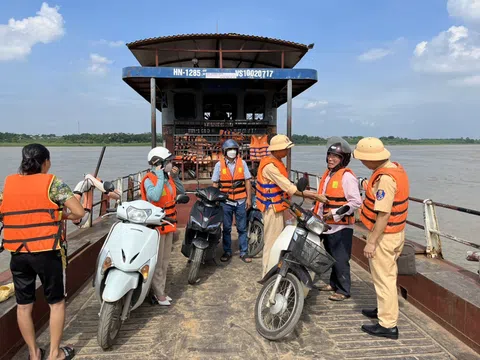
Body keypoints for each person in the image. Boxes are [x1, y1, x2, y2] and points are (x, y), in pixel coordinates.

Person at [0, 143, 84, 360]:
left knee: (23, 306)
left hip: (18, 254)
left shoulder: (9, 184)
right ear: (45, 162)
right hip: (47, 252)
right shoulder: (53, 183)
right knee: (56, 303)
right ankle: (55, 354)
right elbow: (79, 212)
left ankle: (34, 353)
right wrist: (58, 215)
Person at [353, 137, 409, 340]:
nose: (362, 163)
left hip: (385, 236)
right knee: (387, 276)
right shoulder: (396, 169)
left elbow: (383, 214)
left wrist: (371, 241)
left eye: (363, 159)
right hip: (396, 233)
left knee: (384, 279)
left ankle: (388, 325)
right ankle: (383, 310)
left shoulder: (385, 179)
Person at [256, 134, 328, 276]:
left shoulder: (276, 161)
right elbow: (290, 188)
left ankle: (276, 270)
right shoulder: (270, 167)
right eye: (285, 148)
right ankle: (267, 274)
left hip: (280, 207)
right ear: (277, 150)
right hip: (272, 209)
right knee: (272, 243)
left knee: (280, 240)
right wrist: (315, 195)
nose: (287, 151)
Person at [313, 137, 362, 301]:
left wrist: (334, 213)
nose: (331, 159)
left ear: (343, 160)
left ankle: (343, 290)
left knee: (341, 259)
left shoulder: (347, 177)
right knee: (331, 256)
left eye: (336, 157)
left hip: (341, 227)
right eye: (329, 155)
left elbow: (355, 202)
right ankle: (333, 284)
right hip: (327, 225)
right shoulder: (328, 175)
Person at [140, 146, 185, 306]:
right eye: (168, 161)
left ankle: (160, 291)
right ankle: (158, 294)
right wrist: (160, 175)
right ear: (159, 163)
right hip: (156, 227)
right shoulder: (149, 180)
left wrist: (175, 176)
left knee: (165, 260)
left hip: (168, 223)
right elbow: (154, 196)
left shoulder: (167, 178)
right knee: (158, 262)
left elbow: (181, 191)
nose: (170, 164)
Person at [212, 139, 252, 263]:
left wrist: (249, 198)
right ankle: (227, 251)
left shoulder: (242, 163)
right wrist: (215, 199)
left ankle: (244, 252)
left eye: (234, 149)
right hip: (226, 202)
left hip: (240, 201)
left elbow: (247, 181)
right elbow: (215, 183)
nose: (232, 152)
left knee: (242, 228)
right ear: (225, 152)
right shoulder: (219, 165)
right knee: (227, 228)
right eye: (229, 150)